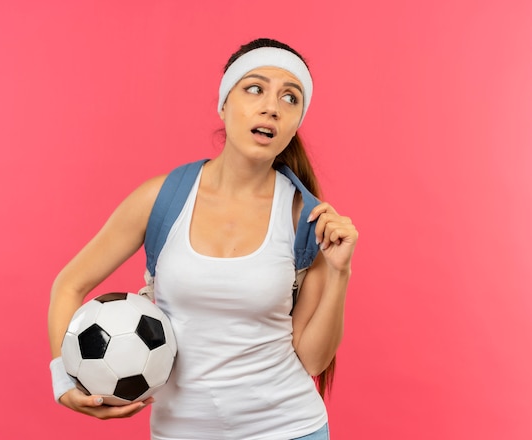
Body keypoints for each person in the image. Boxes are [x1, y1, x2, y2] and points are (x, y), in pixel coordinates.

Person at [48, 38, 358, 440]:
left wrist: (340, 272)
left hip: (290, 428)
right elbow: (70, 285)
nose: (271, 106)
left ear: (297, 121)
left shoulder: (305, 215)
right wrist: (63, 379)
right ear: (223, 104)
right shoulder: (162, 198)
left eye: (290, 98)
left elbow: (313, 360)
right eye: (254, 88)